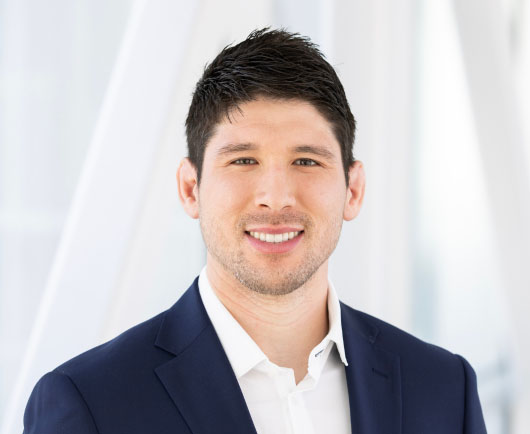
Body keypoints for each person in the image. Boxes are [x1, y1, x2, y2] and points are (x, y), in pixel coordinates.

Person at [24, 28, 487, 434]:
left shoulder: (445, 390)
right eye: (243, 160)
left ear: (353, 190)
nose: (276, 196)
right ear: (191, 188)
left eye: (306, 161)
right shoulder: (90, 405)